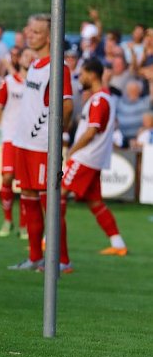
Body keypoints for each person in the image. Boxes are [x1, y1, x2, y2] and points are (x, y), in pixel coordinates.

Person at [8, 14, 74, 273]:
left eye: (36, 32)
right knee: (28, 200)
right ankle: (35, 257)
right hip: (23, 143)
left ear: (49, 37)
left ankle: (63, 261)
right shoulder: (35, 65)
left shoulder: (59, 67)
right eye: (29, 30)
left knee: (51, 204)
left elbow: (67, 105)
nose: (29, 35)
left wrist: (55, 134)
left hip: (42, 147)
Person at [61, 59, 128, 256]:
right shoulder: (102, 98)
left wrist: (72, 150)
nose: (80, 78)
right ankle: (118, 243)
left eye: (82, 74)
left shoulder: (100, 99)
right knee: (95, 203)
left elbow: (92, 131)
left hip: (85, 157)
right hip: (94, 158)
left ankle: (50, 241)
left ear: (92, 74)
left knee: (58, 195)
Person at [0, 47, 32, 239]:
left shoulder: (38, 84)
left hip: (28, 139)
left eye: (33, 56)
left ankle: (23, 225)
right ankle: (7, 220)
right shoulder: (8, 83)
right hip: (10, 137)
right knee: (7, 177)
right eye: (26, 55)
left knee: (25, 184)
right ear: (19, 60)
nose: (30, 59)